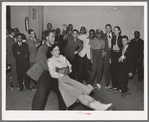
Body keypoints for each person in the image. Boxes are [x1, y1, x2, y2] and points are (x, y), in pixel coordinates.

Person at [47, 44, 113, 110]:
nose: (58, 51)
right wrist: (62, 73)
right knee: (80, 95)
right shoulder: (50, 61)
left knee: (84, 93)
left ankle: (100, 105)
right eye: (55, 50)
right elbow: (52, 74)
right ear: (51, 52)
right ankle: (97, 107)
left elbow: (70, 66)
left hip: (68, 79)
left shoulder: (62, 57)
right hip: (62, 82)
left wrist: (68, 70)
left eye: (58, 50)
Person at [27, 31, 66, 110]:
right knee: (41, 95)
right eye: (52, 37)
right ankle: (36, 114)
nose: (54, 38)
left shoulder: (53, 47)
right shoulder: (43, 48)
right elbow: (44, 63)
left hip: (51, 73)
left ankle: (62, 110)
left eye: (54, 37)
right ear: (46, 38)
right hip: (44, 74)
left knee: (61, 90)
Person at [109, 26, 123, 92]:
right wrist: (110, 58)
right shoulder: (113, 39)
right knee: (113, 71)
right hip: (114, 55)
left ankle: (119, 86)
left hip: (119, 55)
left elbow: (123, 49)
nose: (115, 31)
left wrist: (122, 57)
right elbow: (112, 49)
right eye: (114, 30)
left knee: (119, 71)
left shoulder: (122, 38)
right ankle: (114, 85)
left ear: (119, 31)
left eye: (116, 30)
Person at [102, 24, 115, 89]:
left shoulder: (114, 34)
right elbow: (101, 45)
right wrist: (103, 51)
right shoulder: (103, 36)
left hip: (113, 53)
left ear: (111, 28)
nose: (107, 30)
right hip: (106, 53)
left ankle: (114, 83)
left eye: (109, 28)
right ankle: (107, 82)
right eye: (106, 28)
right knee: (106, 68)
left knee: (113, 68)